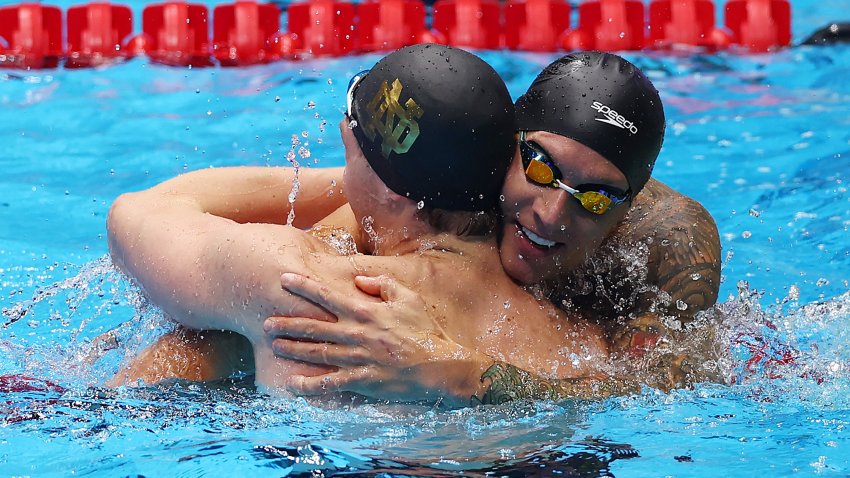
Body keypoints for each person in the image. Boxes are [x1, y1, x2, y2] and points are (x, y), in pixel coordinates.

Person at [107, 50, 722, 402]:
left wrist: (460, 373)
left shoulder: (316, 286)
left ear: (627, 204)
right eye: (538, 167)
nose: (552, 212)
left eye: (594, 200)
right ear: (505, 149)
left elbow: (136, 214)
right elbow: (648, 396)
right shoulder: (582, 346)